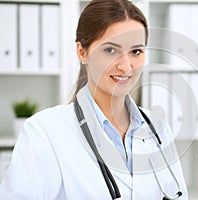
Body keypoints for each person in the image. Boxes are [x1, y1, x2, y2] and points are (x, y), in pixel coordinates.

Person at [0, 0, 188, 199]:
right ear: (82, 52)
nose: (126, 66)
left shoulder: (157, 128)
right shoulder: (44, 132)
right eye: (110, 50)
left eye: (136, 51)